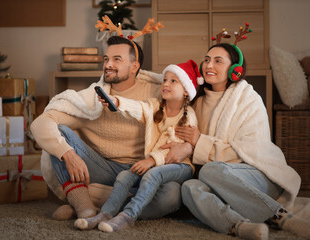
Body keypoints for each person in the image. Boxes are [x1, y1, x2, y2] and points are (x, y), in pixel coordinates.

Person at [30, 36, 193, 221]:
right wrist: (68, 154)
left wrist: (188, 145)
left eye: (117, 59)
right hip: (103, 168)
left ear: (134, 67)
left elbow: (185, 110)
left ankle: (94, 206)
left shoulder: (158, 92)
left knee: (172, 195)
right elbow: (41, 123)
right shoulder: (91, 99)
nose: (108, 64)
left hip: (143, 171)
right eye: (106, 59)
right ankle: (85, 208)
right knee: (58, 134)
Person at [176, 43, 309, 240]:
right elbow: (163, 80)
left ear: (234, 69)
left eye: (217, 61)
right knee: (189, 188)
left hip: (258, 175)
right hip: (220, 182)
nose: (209, 65)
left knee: (211, 170)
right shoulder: (197, 102)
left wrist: (200, 141)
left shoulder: (248, 99)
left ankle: (280, 217)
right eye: (206, 60)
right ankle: (238, 226)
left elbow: (249, 153)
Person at [74, 59, 200, 232]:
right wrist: (117, 102)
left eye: (173, 81)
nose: (166, 84)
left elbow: (174, 151)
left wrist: (151, 161)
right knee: (125, 175)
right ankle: (104, 215)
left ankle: (128, 216)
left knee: (152, 175)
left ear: (186, 91)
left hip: (180, 165)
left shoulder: (188, 117)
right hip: (156, 164)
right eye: (164, 80)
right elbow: (138, 108)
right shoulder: (155, 106)